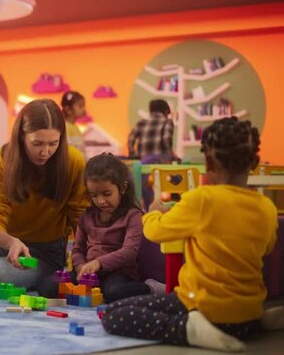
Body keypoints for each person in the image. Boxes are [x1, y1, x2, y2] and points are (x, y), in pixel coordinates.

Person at [103, 117, 284, 351]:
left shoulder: (201, 200)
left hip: (202, 308)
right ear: (255, 162)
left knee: (113, 315)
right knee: (242, 314)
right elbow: (267, 247)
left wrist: (152, 213)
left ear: (208, 163)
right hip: (247, 314)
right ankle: (259, 321)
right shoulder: (266, 207)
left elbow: (155, 231)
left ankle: (187, 329)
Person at [0, 98, 89, 297]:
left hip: (46, 254)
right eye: (37, 143)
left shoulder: (73, 161)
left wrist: (82, 260)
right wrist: (10, 242)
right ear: (21, 137)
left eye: (53, 143)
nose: (46, 151)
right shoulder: (1, 159)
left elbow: (80, 218)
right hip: (4, 241)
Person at [71, 153, 165, 303]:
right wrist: (79, 267)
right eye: (94, 195)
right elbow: (77, 249)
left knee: (114, 293)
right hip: (90, 273)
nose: (100, 201)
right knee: (49, 286)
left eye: (107, 194)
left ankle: (151, 288)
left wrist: (99, 263)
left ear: (122, 188)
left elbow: (129, 251)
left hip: (119, 273)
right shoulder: (87, 216)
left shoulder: (133, 216)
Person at [61, 91, 87, 156]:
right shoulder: (65, 127)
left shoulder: (75, 127)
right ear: (68, 109)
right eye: (80, 106)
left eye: (83, 106)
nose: (83, 109)